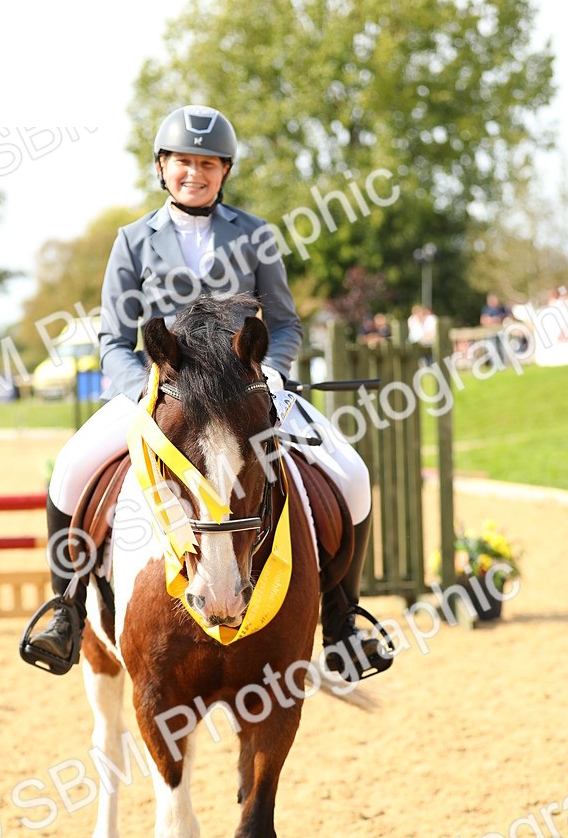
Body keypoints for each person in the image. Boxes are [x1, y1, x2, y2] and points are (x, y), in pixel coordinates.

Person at [21, 104, 391, 682]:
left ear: (225, 171)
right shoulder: (132, 240)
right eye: (183, 162)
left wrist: (268, 372)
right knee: (70, 468)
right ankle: (64, 611)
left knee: (351, 472)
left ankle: (343, 621)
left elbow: (286, 323)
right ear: (163, 167)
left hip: (247, 395)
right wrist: (142, 390)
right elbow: (115, 338)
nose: (195, 173)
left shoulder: (256, 235)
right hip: (162, 394)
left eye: (208, 164)